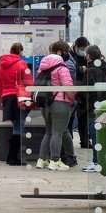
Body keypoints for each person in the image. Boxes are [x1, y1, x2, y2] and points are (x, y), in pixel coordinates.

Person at [36, 41, 76, 171]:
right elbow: (68, 86)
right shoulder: (62, 67)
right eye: (66, 52)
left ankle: (41, 160)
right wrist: (73, 98)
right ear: (60, 52)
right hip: (60, 103)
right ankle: (55, 161)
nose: (67, 55)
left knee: (48, 132)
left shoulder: (42, 66)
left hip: (45, 104)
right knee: (57, 133)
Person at [0, 42, 33, 166]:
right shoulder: (22, 64)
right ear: (20, 52)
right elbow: (29, 83)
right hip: (19, 98)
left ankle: (11, 157)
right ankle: (14, 157)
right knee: (19, 127)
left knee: (16, 126)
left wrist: (3, 98)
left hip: (7, 98)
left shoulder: (0, 66)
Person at [83, 45, 106, 172]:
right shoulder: (104, 68)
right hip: (103, 105)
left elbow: (87, 91)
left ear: (89, 56)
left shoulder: (91, 71)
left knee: (95, 135)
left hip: (93, 107)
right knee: (100, 135)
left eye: (86, 53)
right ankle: (100, 160)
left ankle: (96, 162)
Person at [72, 37, 91, 149]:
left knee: (83, 117)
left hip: (85, 90)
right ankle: (81, 140)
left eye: (86, 48)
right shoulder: (71, 55)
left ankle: (85, 141)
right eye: (83, 48)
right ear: (77, 47)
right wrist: (80, 69)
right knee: (78, 116)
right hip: (76, 89)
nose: (84, 50)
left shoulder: (86, 56)